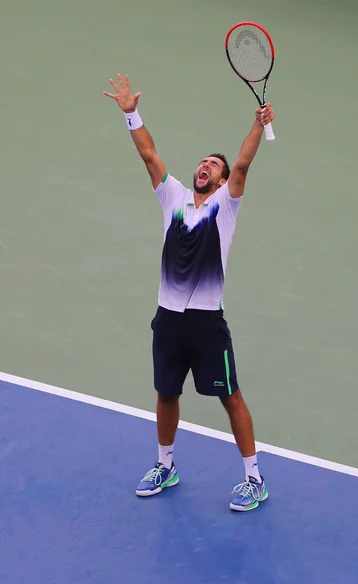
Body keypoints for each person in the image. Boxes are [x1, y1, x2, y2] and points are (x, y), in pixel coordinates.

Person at [104, 73, 275, 512]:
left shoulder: (226, 205)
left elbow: (242, 165)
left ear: (221, 183)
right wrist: (131, 113)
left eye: (213, 166)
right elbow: (148, 154)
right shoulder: (173, 197)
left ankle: (254, 478)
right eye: (203, 162)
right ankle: (166, 465)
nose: (206, 166)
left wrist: (258, 124)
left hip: (206, 323)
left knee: (229, 395)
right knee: (166, 393)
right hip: (168, 318)